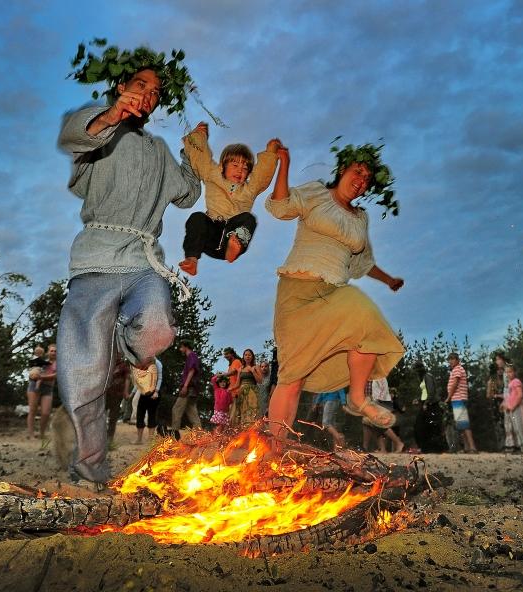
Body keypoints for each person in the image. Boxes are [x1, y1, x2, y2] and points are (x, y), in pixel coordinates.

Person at [56, 52, 202, 484]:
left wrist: (193, 153)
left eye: (156, 93)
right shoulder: (99, 129)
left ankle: (136, 357)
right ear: (120, 87)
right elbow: (73, 137)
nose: (149, 96)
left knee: (158, 325)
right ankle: (90, 471)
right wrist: (109, 116)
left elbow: (188, 195)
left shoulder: (158, 149)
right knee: (82, 374)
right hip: (94, 258)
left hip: (142, 258)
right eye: (141, 85)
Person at [265, 142, 405, 438]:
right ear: (343, 170)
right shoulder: (317, 192)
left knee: (364, 317)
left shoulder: (361, 219)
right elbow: (280, 206)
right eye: (358, 172)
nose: (361, 181)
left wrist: (389, 280)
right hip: (297, 293)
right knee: (292, 378)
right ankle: (273, 453)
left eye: (367, 179)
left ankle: (356, 398)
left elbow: (362, 263)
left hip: (332, 293)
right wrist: (284, 163)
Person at [178, 124, 281, 275]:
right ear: (222, 166)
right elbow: (201, 159)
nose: (240, 170)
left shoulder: (249, 189)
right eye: (235, 165)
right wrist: (199, 136)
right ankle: (192, 259)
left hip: (231, 235)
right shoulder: (212, 174)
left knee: (248, 218)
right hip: (210, 234)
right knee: (197, 218)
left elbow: (261, 176)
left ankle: (234, 246)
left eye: (245, 168)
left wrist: (271, 152)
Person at [444, 353, 477, 453]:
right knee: (461, 424)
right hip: (457, 399)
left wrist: (448, 397)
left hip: (459, 398)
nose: (450, 361)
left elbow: (455, 384)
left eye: (452, 359)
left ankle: (472, 447)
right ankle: (467, 447)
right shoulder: (455, 369)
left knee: (464, 423)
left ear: (457, 360)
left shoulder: (458, 369)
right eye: (449, 359)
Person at [363, 378, 404, 453]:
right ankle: (382, 448)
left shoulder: (378, 374)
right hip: (369, 401)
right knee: (371, 424)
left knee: (377, 423)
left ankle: (398, 443)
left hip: (377, 402)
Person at [172, 340, 203, 433]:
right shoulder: (192, 356)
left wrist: (185, 386)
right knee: (192, 412)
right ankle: (199, 436)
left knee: (176, 410)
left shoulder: (191, 356)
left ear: (185, 346)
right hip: (192, 389)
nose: (180, 349)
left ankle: (174, 436)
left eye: (181, 347)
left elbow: (192, 370)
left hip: (189, 388)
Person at [413, 366, 445, 453]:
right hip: (426, 403)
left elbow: (431, 391)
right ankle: (425, 448)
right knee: (423, 426)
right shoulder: (423, 378)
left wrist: (426, 403)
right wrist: (419, 400)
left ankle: (434, 449)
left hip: (431, 404)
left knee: (429, 426)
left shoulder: (428, 376)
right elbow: (425, 393)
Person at [503, 365, 523, 454]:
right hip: (512, 408)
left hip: (518, 407)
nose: (508, 374)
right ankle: (522, 447)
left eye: (510, 372)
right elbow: (510, 396)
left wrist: (513, 406)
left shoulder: (516, 382)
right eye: (507, 372)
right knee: (516, 427)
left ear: (514, 372)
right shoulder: (510, 383)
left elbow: (520, 395)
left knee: (522, 426)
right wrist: (507, 405)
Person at [131, 358, 160, 444]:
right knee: (140, 415)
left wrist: (156, 392)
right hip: (143, 394)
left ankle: (150, 440)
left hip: (152, 394)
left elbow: (158, 380)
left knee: (151, 415)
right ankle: (139, 439)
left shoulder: (155, 368)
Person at [487, 352, 512, 452]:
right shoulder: (492, 380)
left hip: (509, 402)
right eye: (498, 370)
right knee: (499, 426)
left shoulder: (508, 376)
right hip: (497, 404)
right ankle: (502, 446)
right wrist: (498, 395)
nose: (500, 371)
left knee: (509, 424)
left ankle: (511, 444)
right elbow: (488, 394)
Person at [34, 344, 58, 444]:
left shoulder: (59, 363)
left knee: (46, 412)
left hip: (48, 388)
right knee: (33, 410)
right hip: (37, 387)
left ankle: (42, 432)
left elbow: (56, 375)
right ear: (48, 352)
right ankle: (31, 433)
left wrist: (42, 377)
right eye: (52, 351)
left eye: (55, 351)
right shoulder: (42, 362)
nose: (53, 353)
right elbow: (35, 371)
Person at [105, 358, 131, 445]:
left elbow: (127, 379)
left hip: (117, 395)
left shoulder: (124, 366)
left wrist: (126, 392)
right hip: (105, 394)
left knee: (113, 417)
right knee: (100, 415)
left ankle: (109, 438)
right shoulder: (108, 362)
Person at [234, 349, 263, 425]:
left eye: (249, 355)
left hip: (252, 392)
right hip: (242, 392)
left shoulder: (256, 367)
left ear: (252, 356)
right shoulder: (240, 369)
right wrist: (229, 389)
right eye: (246, 355)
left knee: (252, 411)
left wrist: (253, 371)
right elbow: (237, 384)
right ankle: (244, 432)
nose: (247, 356)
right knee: (242, 411)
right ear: (243, 357)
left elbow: (260, 381)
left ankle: (253, 431)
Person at [25, 346, 47, 438]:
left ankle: (36, 433)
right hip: (33, 384)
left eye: (40, 353)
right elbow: (33, 374)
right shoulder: (34, 361)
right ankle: (31, 434)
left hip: (41, 384)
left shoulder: (41, 361)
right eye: (38, 352)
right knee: (32, 409)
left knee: (36, 410)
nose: (39, 354)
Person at [220, 347, 243, 424]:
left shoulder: (237, 361)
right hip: (231, 392)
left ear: (232, 354)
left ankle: (234, 432)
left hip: (237, 391)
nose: (225, 356)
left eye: (227, 354)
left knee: (235, 414)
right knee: (231, 413)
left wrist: (223, 374)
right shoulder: (230, 365)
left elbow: (234, 372)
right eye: (224, 354)